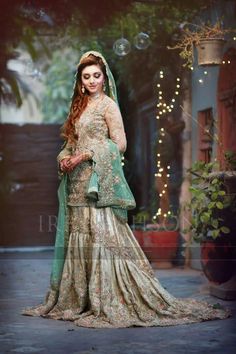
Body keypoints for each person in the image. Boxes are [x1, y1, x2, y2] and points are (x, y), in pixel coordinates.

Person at [21, 50, 232, 328]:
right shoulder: (79, 107)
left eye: (97, 75)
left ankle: (107, 297)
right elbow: (70, 145)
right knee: (79, 238)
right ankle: (78, 298)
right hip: (76, 184)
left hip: (98, 184)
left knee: (102, 237)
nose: (92, 80)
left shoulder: (108, 105)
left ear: (104, 77)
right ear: (80, 81)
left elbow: (120, 143)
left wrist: (85, 156)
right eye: (87, 77)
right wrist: (64, 158)